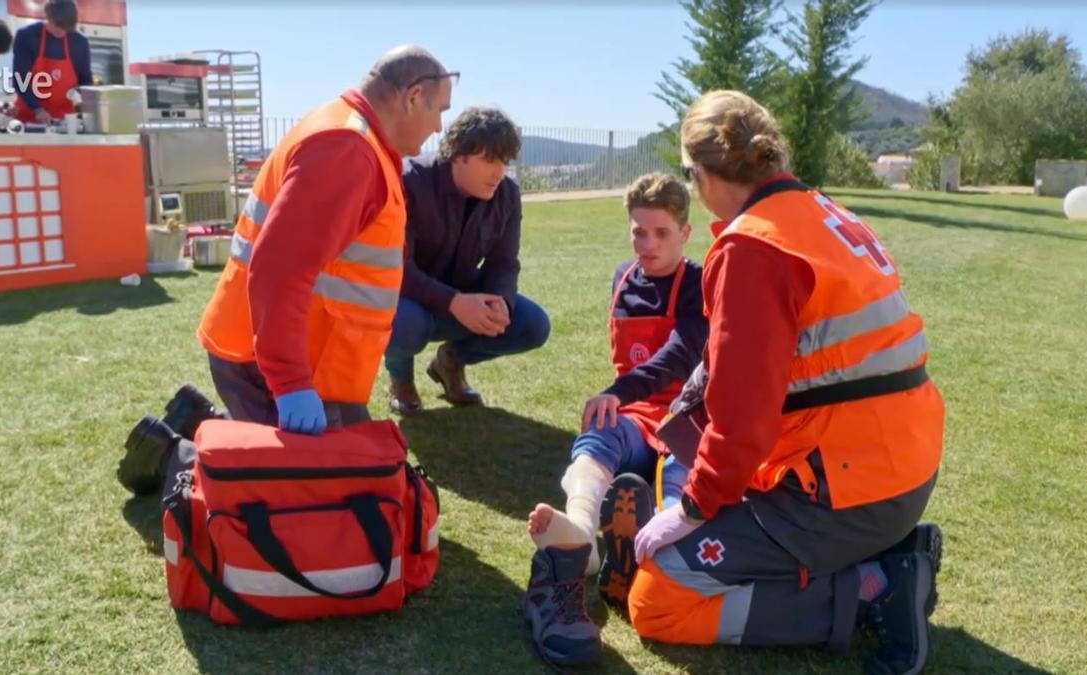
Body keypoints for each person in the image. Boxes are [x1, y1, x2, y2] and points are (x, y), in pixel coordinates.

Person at [605, 90, 945, 674]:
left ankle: (875, 586)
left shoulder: (752, 246)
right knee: (678, 457)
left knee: (657, 601)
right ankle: (888, 554)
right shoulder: (821, 212)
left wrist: (692, 508)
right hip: (902, 470)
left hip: (843, 492)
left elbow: (743, 421)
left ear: (703, 174)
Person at [117, 45, 455, 495]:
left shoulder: (349, 134)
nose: (439, 126)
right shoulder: (348, 149)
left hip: (287, 359)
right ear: (413, 97)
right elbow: (279, 270)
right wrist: (291, 383)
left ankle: (200, 421)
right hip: (277, 367)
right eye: (440, 110)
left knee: (340, 492)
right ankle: (171, 455)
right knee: (306, 501)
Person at [520, 173, 706, 666]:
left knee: (685, 470)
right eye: (638, 232)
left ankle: (654, 558)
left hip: (685, 413)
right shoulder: (622, 277)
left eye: (660, 233)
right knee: (600, 428)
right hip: (634, 415)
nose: (647, 244)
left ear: (685, 234)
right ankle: (583, 534)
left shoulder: (699, 282)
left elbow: (680, 354)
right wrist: (616, 401)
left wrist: (616, 390)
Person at [384, 107, 550, 416]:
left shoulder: (507, 195)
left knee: (532, 325)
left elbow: (503, 262)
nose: (499, 172)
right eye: (490, 160)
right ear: (458, 154)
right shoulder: (409, 182)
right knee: (403, 323)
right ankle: (400, 379)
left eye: (505, 161)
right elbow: (396, 268)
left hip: (462, 292)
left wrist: (502, 302)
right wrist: (453, 302)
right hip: (409, 299)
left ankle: (450, 362)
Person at [11, 0, 91, 125]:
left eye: (66, 28)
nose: (61, 32)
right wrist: (37, 109)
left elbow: (86, 80)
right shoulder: (27, 36)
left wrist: (80, 100)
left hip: (66, 121)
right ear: (48, 16)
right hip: (28, 118)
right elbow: (19, 81)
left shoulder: (80, 42)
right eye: (57, 26)